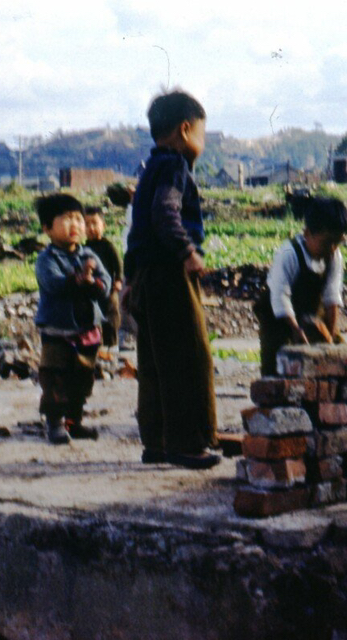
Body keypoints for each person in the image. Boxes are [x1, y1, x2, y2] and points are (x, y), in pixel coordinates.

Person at [124, 89, 219, 469]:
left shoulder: (149, 168)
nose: (203, 142)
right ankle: (186, 444)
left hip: (146, 276)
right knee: (187, 357)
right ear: (185, 129)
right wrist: (188, 253)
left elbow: (137, 230)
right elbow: (166, 215)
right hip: (169, 275)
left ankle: (158, 443)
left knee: (154, 364)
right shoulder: (174, 167)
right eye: (202, 133)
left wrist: (130, 279)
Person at [34, 193, 112, 445]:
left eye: (79, 219)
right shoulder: (46, 260)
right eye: (67, 219)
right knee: (55, 378)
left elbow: (106, 285)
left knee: (82, 379)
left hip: (87, 330)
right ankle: (55, 423)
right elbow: (54, 285)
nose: (76, 225)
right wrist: (79, 280)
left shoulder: (89, 256)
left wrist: (94, 283)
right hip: (57, 332)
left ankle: (74, 422)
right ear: (47, 228)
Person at [254, 196, 347, 376]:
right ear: (307, 234)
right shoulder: (289, 254)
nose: (332, 248)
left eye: (337, 243)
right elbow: (280, 296)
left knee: (343, 357)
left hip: (311, 316)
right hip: (278, 319)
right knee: (276, 368)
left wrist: (330, 337)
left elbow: (332, 296)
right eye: (326, 242)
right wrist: (295, 329)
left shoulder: (334, 256)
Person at [83, 206, 123, 350]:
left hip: (109, 288)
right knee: (92, 316)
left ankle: (112, 343)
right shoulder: (84, 248)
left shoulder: (107, 246)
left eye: (94, 223)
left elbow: (118, 264)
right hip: (92, 289)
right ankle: (96, 344)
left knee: (111, 315)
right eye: (87, 224)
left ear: (103, 226)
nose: (91, 228)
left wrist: (118, 280)